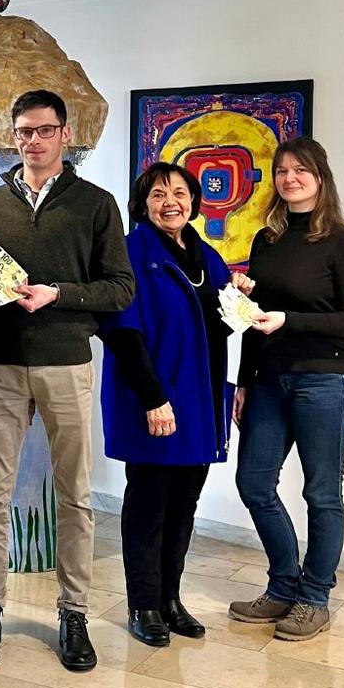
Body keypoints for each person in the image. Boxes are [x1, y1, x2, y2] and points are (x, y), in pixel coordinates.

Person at [0, 89, 134, 672]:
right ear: (14, 137)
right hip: (1, 364)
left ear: (65, 134)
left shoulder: (96, 204)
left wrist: (58, 294)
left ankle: (74, 614)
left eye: (44, 130)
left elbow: (120, 289)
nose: (32, 141)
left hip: (67, 363)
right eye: (23, 132)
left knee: (75, 495)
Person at [100, 161, 248, 646]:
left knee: (184, 503)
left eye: (180, 193)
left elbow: (221, 323)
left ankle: (170, 599)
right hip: (155, 398)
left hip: (198, 400)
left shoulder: (206, 256)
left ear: (194, 201)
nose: (171, 203)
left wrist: (240, 297)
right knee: (149, 504)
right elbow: (122, 330)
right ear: (143, 203)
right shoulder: (132, 251)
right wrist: (153, 398)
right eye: (159, 194)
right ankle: (143, 604)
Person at [229, 137, 344, 640]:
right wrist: (244, 380)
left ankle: (314, 598)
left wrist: (289, 319)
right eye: (282, 170)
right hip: (268, 381)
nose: (290, 179)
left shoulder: (342, 242)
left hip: (325, 380)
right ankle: (284, 585)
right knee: (254, 484)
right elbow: (254, 318)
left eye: (300, 170)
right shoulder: (266, 240)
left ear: (320, 177)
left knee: (321, 494)